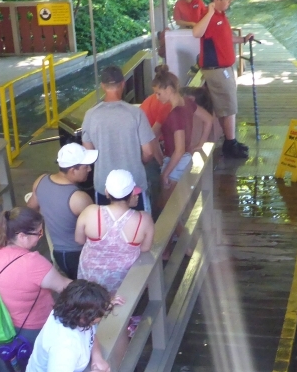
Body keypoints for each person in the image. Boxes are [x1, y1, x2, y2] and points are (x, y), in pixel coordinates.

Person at [0, 207, 70, 346]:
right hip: (31, 330)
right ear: (22, 236)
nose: (40, 237)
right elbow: (64, 287)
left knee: (3, 357)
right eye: (39, 233)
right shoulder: (33, 263)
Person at [18, 280, 114, 372]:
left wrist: (97, 356)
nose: (102, 315)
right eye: (98, 314)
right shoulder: (65, 344)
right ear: (84, 316)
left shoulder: (67, 313)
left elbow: (90, 333)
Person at [82, 65, 159, 214]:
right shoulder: (136, 113)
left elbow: (88, 153)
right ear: (123, 84)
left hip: (104, 186)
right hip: (134, 185)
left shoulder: (90, 115)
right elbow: (149, 152)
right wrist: (136, 162)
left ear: (102, 86)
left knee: (108, 225)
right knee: (139, 225)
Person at [191, 0, 254, 159]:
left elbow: (225, 38)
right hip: (217, 69)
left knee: (227, 106)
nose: (229, 2)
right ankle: (230, 143)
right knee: (229, 106)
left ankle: (230, 141)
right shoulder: (209, 15)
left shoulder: (222, 16)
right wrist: (209, 12)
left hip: (225, 68)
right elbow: (196, 33)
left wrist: (243, 39)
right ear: (216, 0)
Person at [75, 169, 155, 294]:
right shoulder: (143, 219)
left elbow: (79, 240)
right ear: (132, 193)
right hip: (123, 281)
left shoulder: (90, 212)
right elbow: (145, 248)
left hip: (90, 281)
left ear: (107, 192)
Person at [27, 144, 96, 278]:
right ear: (73, 170)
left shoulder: (40, 181)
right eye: (85, 166)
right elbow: (97, 232)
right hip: (80, 256)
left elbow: (31, 208)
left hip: (58, 255)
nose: (89, 169)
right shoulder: (79, 198)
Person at [152, 67, 213, 198]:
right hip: (185, 159)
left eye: (158, 93)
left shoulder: (174, 113)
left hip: (175, 162)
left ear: (169, 90)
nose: (156, 97)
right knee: (181, 201)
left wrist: (165, 173)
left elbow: (179, 150)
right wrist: (200, 144)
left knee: (168, 204)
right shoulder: (187, 102)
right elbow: (208, 120)